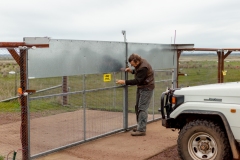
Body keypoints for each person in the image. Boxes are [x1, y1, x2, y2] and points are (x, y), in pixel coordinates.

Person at [116, 53, 155, 136]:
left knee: (142, 108)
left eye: (133, 64)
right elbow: (139, 74)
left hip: (146, 88)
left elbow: (137, 80)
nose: (132, 65)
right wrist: (132, 71)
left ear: (137, 62)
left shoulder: (143, 67)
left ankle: (141, 130)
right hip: (142, 87)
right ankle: (140, 126)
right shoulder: (141, 63)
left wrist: (124, 82)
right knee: (138, 107)